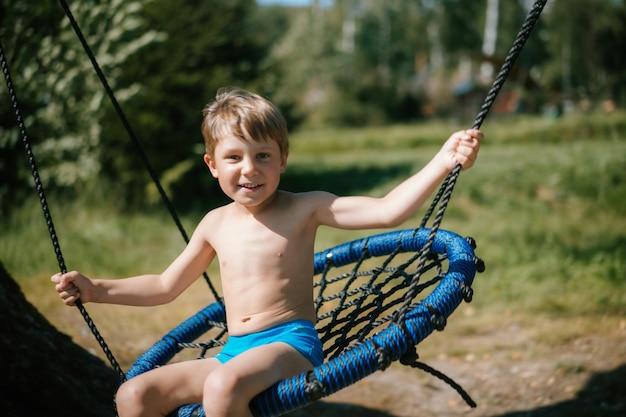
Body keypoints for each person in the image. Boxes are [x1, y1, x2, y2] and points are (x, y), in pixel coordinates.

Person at [52, 87, 482, 417]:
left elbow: (388, 210)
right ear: (212, 165)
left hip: (289, 346)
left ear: (283, 159)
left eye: (263, 156)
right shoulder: (215, 224)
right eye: (234, 157)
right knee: (134, 394)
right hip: (233, 353)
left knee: (222, 389)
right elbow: (165, 286)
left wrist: (444, 160)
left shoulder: (303, 208)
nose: (249, 169)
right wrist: (95, 289)